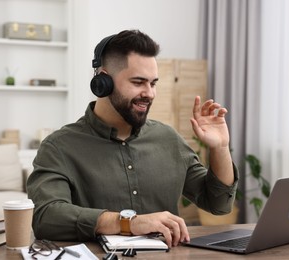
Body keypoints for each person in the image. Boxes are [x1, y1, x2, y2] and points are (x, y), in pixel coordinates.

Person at [27, 29, 238, 248]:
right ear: (103, 82)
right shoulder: (59, 147)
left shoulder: (168, 139)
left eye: (153, 83)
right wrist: (128, 222)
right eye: (138, 82)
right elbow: (46, 217)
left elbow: (219, 204)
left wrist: (221, 148)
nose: (150, 93)